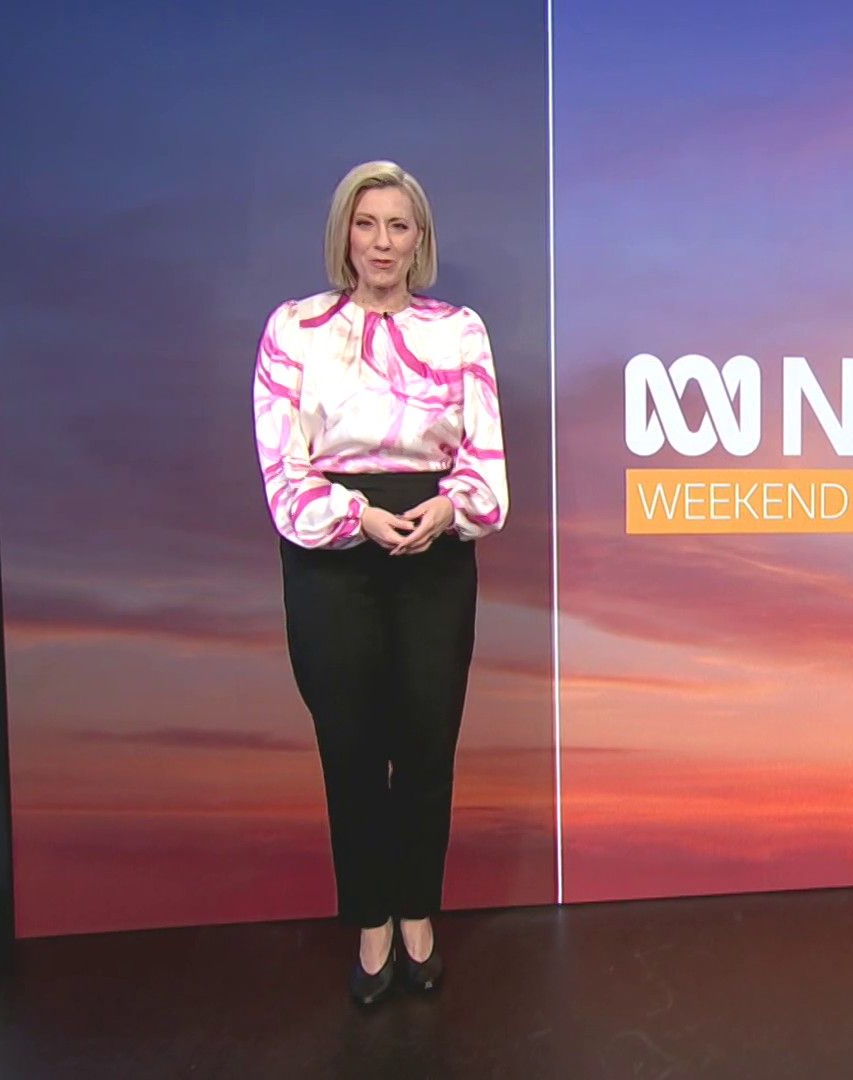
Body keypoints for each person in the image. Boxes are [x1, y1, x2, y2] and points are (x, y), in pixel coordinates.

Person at [252, 160, 507, 1005]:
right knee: (353, 750)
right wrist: (357, 516)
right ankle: (370, 922)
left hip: (434, 545)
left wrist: (448, 509)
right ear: (345, 235)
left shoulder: (459, 331)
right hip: (333, 553)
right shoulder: (294, 330)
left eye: (399, 226)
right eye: (367, 224)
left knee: (428, 745)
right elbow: (284, 475)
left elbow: (486, 466)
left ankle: (418, 914)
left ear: (419, 239)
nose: (383, 242)